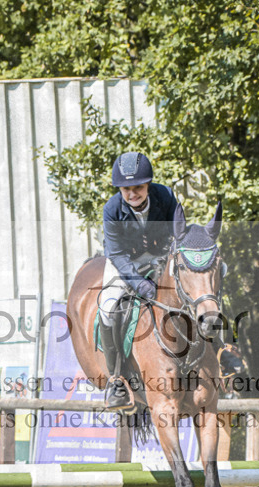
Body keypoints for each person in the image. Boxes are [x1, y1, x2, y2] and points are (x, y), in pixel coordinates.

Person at [98, 152, 241, 412]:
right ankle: (116, 379)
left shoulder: (164, 196)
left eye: (138, 187)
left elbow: (176, 233)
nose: (133, 194)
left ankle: (224, 350)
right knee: (108, 306)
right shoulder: (111, 210)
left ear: (148, 185)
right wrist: (141, 284)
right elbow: (117, 254)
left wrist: (169, 264)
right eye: (127, 189)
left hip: (160, 257)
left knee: (205, 285)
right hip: (123, 262)